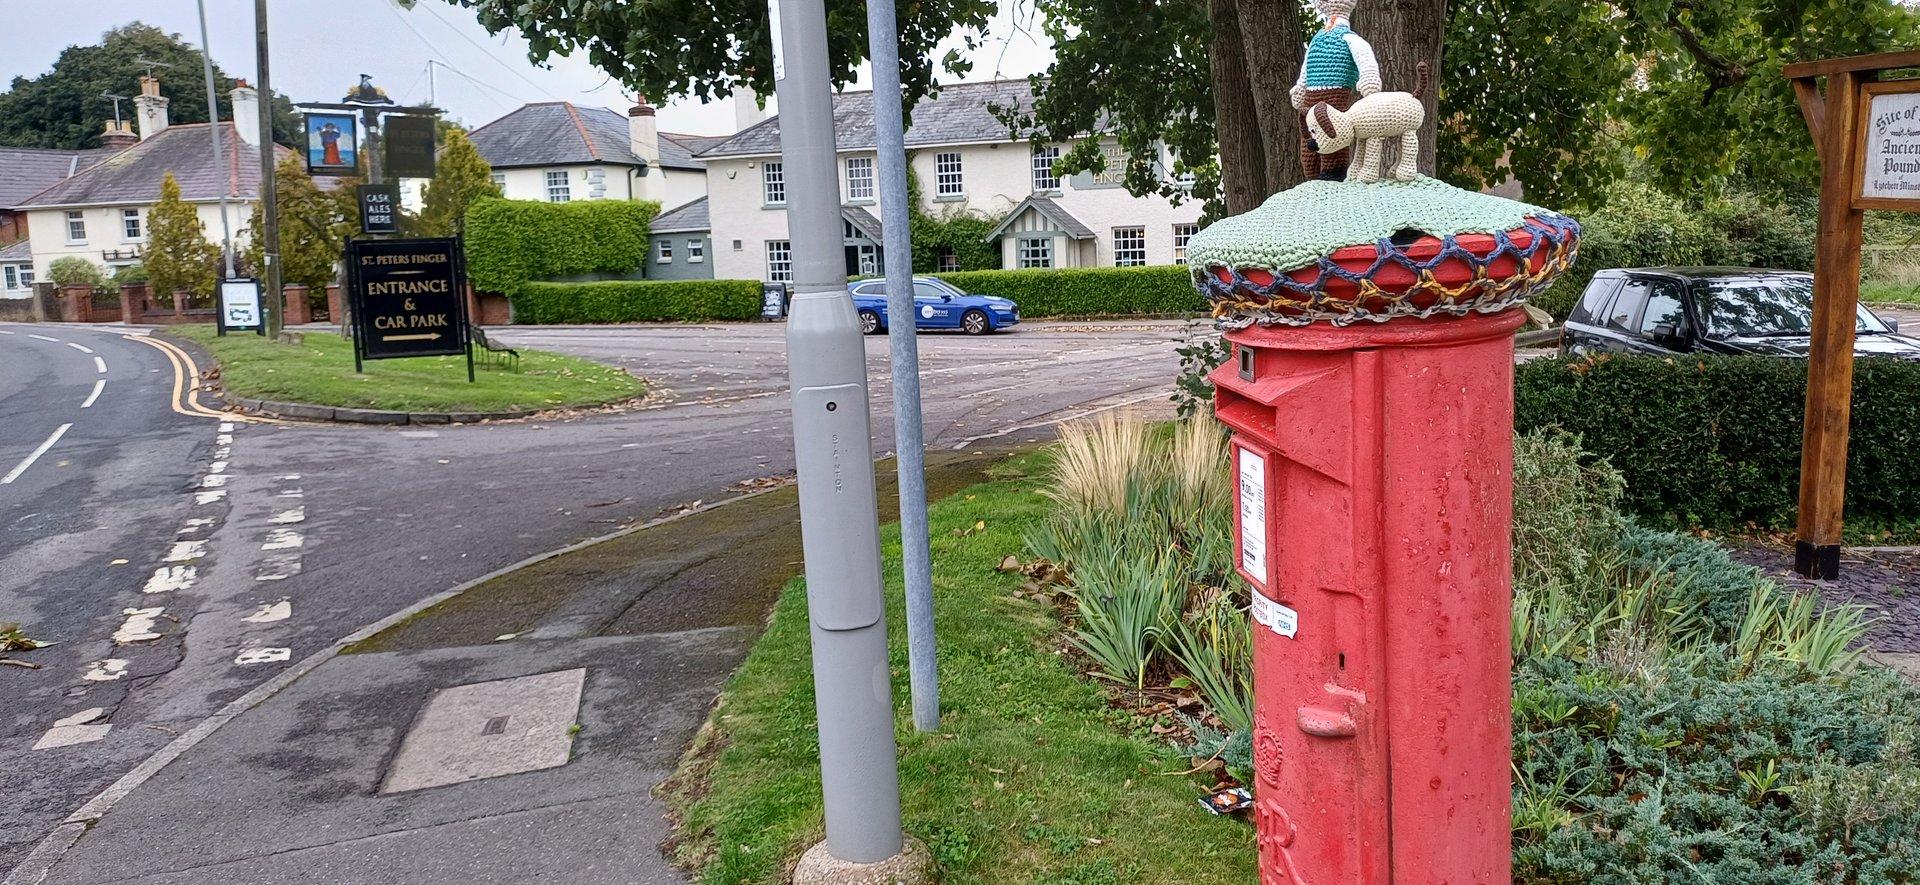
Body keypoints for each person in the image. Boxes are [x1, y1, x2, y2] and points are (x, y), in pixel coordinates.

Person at [1289, 0, 1381, 181]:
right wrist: (1301, 87)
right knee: (1309, 149)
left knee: (1332, 139)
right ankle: (1313, 180)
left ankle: (1334, 177)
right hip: (1309, 102)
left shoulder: (1349, 38)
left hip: (1335, 102)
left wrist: (1369, 78)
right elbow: (1306, 67)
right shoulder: (1318, 39)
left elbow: (1364, 56)